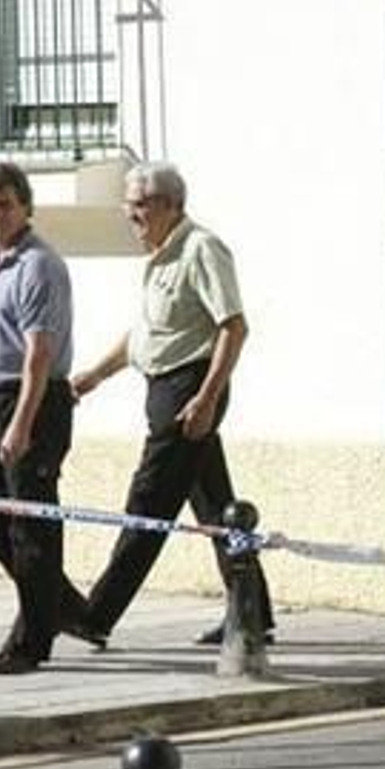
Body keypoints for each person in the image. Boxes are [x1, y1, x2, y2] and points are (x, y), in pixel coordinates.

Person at [72, 161, 273, 645]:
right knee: (216, 508)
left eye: (140, 205)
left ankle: (95, 616)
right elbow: (145, 336)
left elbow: (234, 327)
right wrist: (96, 375)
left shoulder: (201, 248)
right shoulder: (160, 258)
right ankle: (253, 613)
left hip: (189, 391)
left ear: (171, 205)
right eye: (128, 204)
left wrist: (206, 398)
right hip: (165, 389)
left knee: (148, 503)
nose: (131, 214)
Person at [0, 161, 95, 674]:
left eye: (6, 204)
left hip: (30, 398)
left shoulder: (39, 265)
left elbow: (40, 352)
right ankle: (59, 603)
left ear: (26, 206)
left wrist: (22, 423)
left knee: (31, 523)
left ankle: (32, 640)